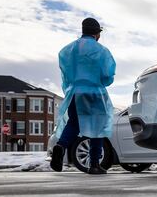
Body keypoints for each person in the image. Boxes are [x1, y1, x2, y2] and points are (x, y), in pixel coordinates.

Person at [50, 18, 116, 174]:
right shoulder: (102, 51)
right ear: (96, 33)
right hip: (94, 92)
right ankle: (94, 164)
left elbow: (65, 73)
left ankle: (60, 146)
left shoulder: (68, 50)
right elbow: (108, 76)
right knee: (97, 127)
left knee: (74, 123)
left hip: (75, 92)